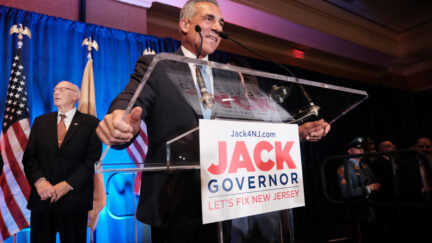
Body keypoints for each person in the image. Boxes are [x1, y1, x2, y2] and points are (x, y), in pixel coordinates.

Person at [96, 0, 330, 242]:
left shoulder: (227, 76)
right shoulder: (159, 65)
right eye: (209, 19)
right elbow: (129, 100)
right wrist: (119, 118)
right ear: (185, 24)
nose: (217, 28)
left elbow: (249, 128)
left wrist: (295, 134)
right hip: (172, 201)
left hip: (220, 196)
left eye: (221, 23)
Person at [23, 81, 102, 243]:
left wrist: (67, 184)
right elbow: (29, 157)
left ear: (75, 96)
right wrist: (40, 182)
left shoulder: (91, 123)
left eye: (62, 89)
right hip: (43, 200)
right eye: (55, 90)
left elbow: (91, 161)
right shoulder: (40, 122)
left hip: (74, 202)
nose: (56, 92)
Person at [337, 137, 381, 243]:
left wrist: (376, 186)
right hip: (357, 211)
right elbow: (347, 192)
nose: (361, 150)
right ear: (350, 151)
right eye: (357, 148)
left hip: (371, 209)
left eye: (362, 148)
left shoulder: (364, 166)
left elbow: (372, 181)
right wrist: (368, 188)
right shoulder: (345, 168)